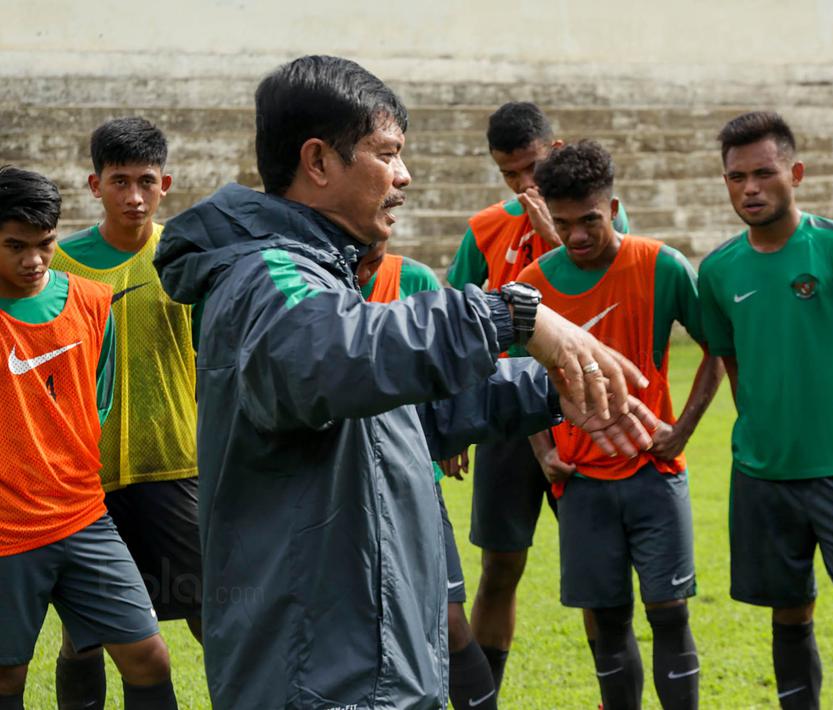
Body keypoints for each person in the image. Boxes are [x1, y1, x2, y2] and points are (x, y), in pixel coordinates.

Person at [153, 54, 656, 710]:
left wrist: (548, 391)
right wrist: (509, 314)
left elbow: (393, 422)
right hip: (321, 678)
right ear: (318, 161)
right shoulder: (266, 278)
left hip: (368, 664)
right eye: (387, 153)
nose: (404, 175)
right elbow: (325, 360)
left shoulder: (320, 280)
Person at [697, 112, 833, 710]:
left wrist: (825, 399)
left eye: (763, 173)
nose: (750, 188)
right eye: (736, 177)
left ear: (794, 172)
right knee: (789, 613)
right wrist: (769, 416)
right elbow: (732, 360)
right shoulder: (717, 271)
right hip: (762, 475)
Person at [517, 140, 722, 710]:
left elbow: (717, 350)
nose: (576, 237)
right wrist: (541, 448)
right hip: (580, 482)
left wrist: (681, 429)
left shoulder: (661, 265)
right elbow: (511, 375)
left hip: (654, 472)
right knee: (606, 621)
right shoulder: (532, 285)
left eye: (589, 221)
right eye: (562, 225)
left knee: (670, 614)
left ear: (613, 207)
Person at [447, 101, 629, 690]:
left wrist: (555, 234)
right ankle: (485, 698)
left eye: (530, 168)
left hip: (580, 416)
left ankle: (613, 698)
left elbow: (614, 307)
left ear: (553, 152)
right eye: (509, 175)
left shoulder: (601, 225)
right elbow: (453, 326)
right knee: (499, 566)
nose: (524, 185)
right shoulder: (485, 229)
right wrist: (453, 422)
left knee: (597, 575)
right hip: (505, 418)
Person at [0, 165, 179, 709]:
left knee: (149, 656)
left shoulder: (92, 301)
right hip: (7, 533)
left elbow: (95, 401)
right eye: (14, 246)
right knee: (7, 677)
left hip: (83, 516)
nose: (33, 260)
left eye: (45, 244)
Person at [50, 117, 203, 709]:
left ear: (165, 183)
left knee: (208, 614)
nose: (134, 197)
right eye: (119, 181)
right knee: (83, 635)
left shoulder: (186, 255)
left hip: (173, 467)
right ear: (94, 185)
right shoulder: (61, 264)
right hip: (87, 479)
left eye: (146, 181)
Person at [357, 241, 498, 709]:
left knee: (448, 620)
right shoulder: (313, 285)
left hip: (412, 480)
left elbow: (445, 365)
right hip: (340, 489)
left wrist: (452, 432)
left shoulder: (413, 279)